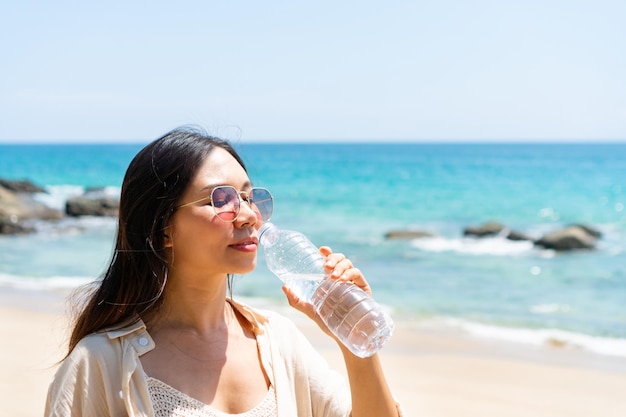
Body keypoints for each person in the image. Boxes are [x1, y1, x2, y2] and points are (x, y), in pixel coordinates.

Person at [45, 126, 402, 417]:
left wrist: (355, 340)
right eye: (220, 199)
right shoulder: (100, 365)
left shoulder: (278, 341)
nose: (249, 215)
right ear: (161, 229)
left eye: (248, 197)